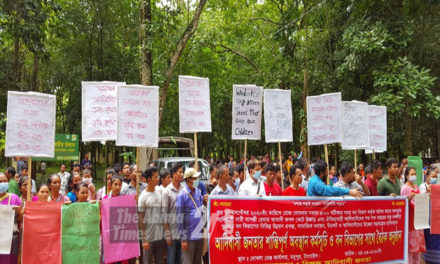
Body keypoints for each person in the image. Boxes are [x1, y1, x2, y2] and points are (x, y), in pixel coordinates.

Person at [176, 168, 204, 264]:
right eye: (195, 178)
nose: (197, 180)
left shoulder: (198, 192)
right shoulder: (182, 195)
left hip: (199, 235)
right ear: (189, 179)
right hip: (188, 237)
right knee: (187, 261)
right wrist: (183, 239)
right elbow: (179, 218)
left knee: (197, 261)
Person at [138, 167, 163, 264]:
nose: (158, 178)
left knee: (160, 261)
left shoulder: (159, 191)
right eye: (155, 177)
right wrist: (144, 239)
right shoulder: (143, 197)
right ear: (149, 180)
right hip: (149, 238)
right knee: (147, 261)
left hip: (160, 236)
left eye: (158, 176)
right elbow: (141, 219)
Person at [401, 167, 425, 263]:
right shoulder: (404, 188)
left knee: (417, 249)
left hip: (418, 220)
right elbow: (403, 205)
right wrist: (409, 198)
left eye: (415, 174)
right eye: (411, 174)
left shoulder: (416, 187)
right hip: (410, 221)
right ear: (406, 176)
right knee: (410, 248)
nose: (413, 176)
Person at [162, 164, 184, 264]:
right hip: (172, 232)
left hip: (183, 233)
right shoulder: (167, 192)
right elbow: (164, 214)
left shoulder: (184, 189)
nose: (182, 174)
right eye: (179, 172)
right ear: (174, 174)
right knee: (171, 260)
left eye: (182, 172)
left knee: (180, 260)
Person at [0, 172, 22, 264]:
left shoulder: (15, 198)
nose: (2, 183)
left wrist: (19, 213)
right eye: (0, 181)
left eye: (5, 181)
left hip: (11, 239)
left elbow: (20, 221)